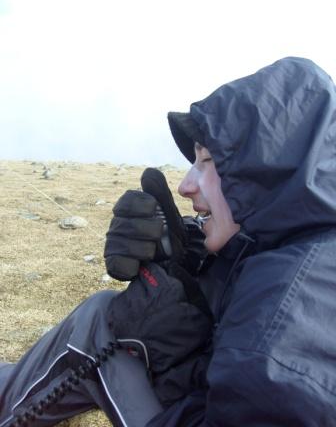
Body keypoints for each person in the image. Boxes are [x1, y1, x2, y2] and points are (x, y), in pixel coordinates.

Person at [1, 56, 336, 427]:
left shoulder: (272, 344)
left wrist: (176, 361)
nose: (185, 184)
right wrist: (184, 263)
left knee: (100, 324)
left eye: (207, 161)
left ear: (264, 171)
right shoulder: (304, 242)